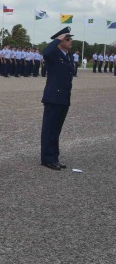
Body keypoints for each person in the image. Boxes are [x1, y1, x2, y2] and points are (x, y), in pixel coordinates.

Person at [40, 27, 75, 170]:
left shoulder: (68, 55)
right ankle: (47, 158)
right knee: (49, 129)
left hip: (63, 97)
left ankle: (54, 157)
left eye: (70, 38)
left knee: (56, 130)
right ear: (60, 41)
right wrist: (57, 39)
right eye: (67, 38)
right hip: (53, 97)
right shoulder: (53, 54)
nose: (70, 41)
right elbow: (45, 52)